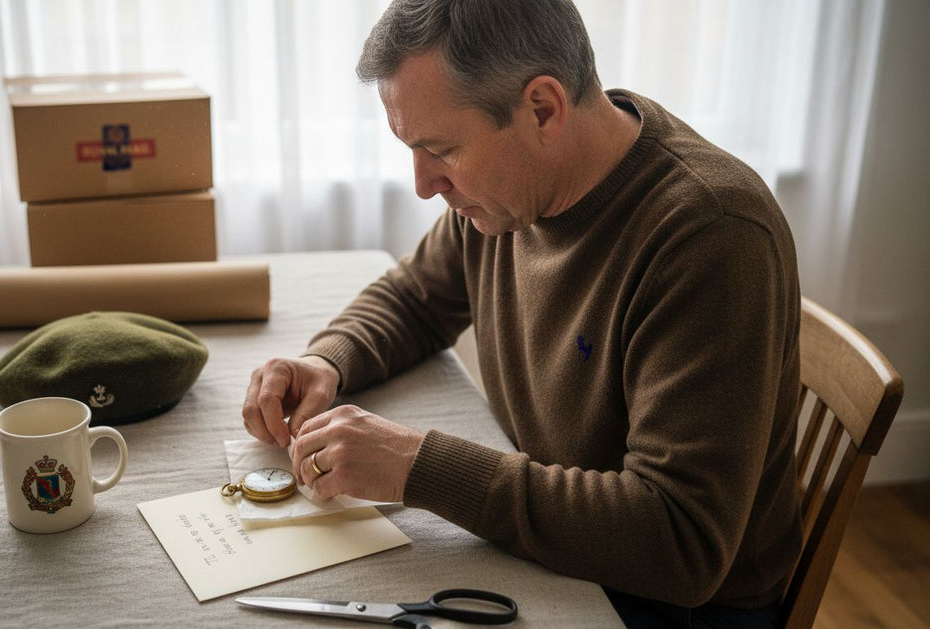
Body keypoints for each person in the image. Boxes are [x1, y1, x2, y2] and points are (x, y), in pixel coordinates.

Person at [241, 1, 802, 626]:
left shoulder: (709, 236)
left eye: (441, 149)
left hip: (668, 601)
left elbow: (679, 543)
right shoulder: (509, 192)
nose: (424, 184)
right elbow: (416, 296)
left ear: (543, 109)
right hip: (562, 546)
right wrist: (326, 360)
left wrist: (418, 466)